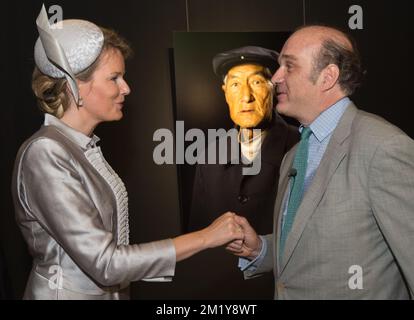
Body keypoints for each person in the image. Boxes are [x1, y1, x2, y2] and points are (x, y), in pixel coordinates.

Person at [11, 6, 244, 300]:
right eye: (114, 78)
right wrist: (205, 237)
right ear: (75, 86)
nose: (126, 88)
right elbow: (106, 264)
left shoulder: (79, 146)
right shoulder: (46, 153)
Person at [227, 25, 414, 299]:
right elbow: (310, 246)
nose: (275, 77)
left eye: (288, 67)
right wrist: (261, 249)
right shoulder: (294, 154)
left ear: (327, 76)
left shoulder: (383, 147)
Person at [184, 46, 298, 299]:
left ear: (274, 87)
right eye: (235, 85)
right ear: (225, 93)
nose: (245, 96)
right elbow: (199, 233)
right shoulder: (209, 154)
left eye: (256, 81)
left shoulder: (301, 146)